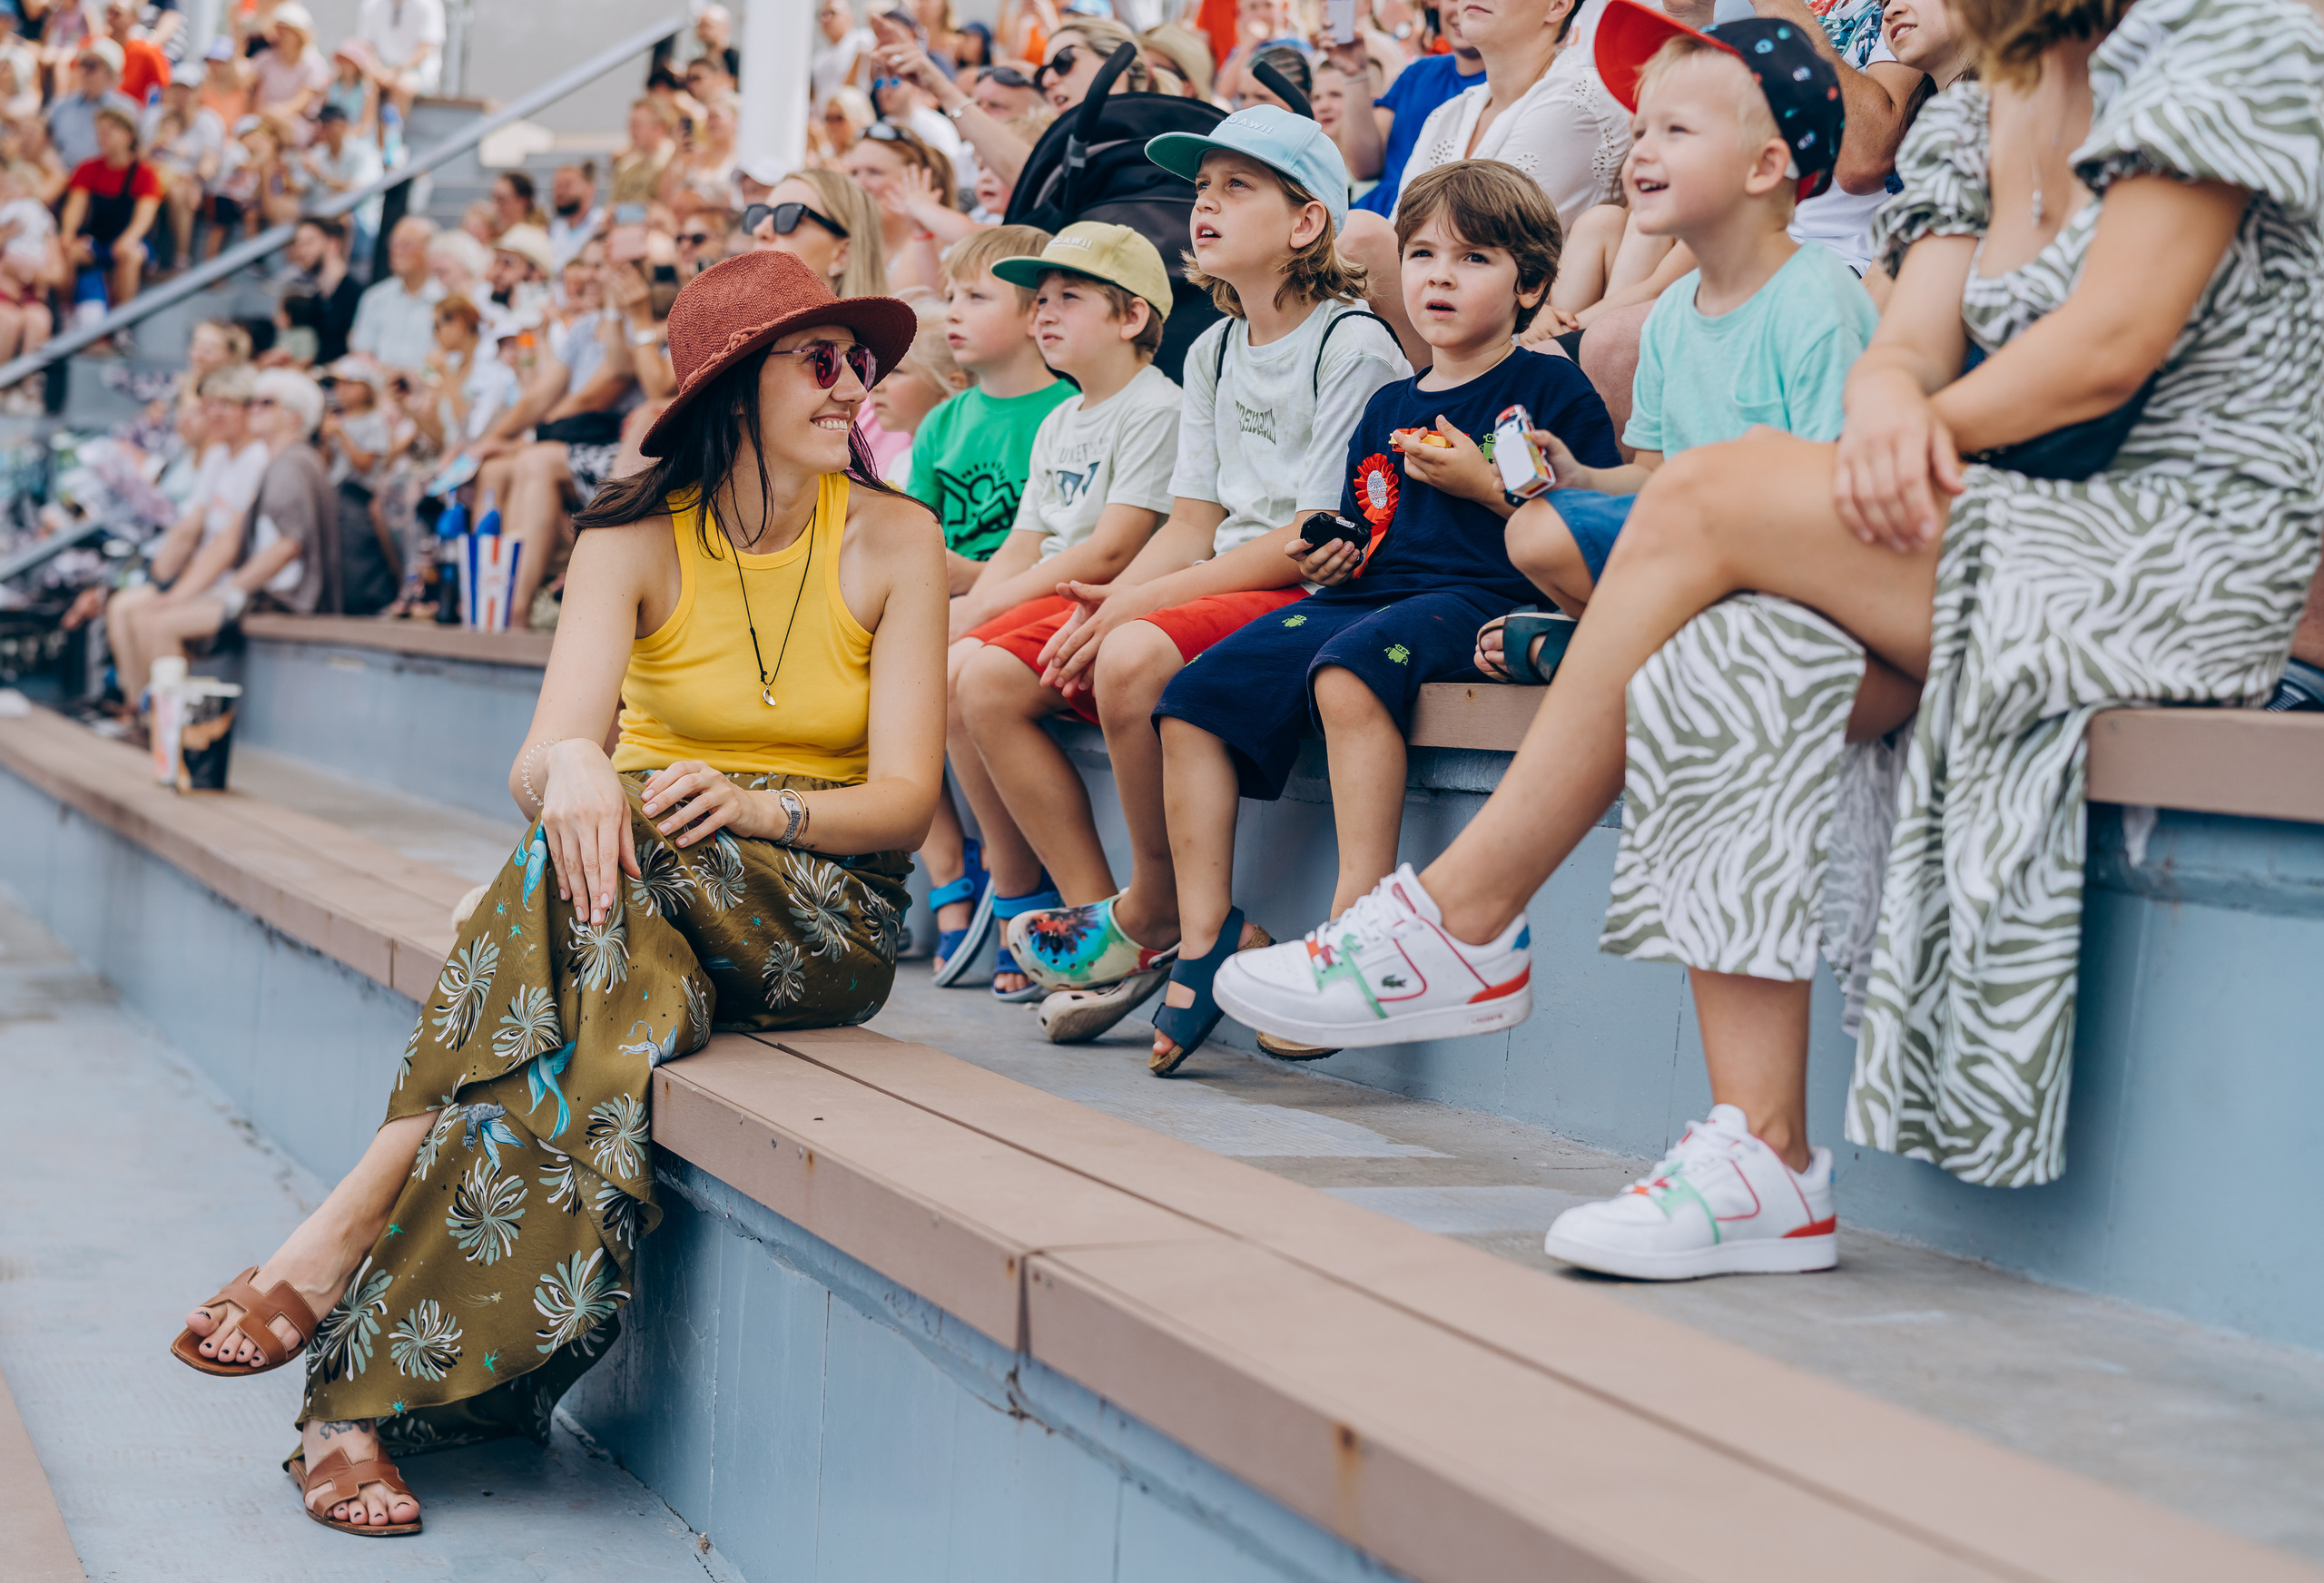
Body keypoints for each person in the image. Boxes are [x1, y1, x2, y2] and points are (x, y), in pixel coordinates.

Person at [1218, 0, 2324, 1280]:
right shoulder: (1977, 105)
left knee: (1705, 492)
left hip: (2179, 559)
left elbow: (2111, 346)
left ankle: (1466, 915)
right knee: (1718, 657)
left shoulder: (2237, 36)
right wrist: (1893, 406)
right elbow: (1907, 335)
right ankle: (1763, 1159)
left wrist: (1903, 433)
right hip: (1987, 528)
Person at [170, 248, 945, 1539]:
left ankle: (346, 1218)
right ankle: (349, 1414)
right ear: (734, 388)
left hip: (820, 915)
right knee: (574, 1039)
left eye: (859, 361)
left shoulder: (897, 537)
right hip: (631, 908)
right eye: (820, 359)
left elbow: (907, 800)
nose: (852, 385)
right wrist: (580, 763)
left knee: (595, 857)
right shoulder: (633, 539)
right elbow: (543, 760)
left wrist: (755, 805)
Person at [1134, 160, 1620, 1067]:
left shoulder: (1551, 389)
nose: (1437, 275)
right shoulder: (1390, 402)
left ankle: (1355, 918)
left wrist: (1484, 485)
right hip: (1372, 591)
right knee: (1195, 694)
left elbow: (1574, 526)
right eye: (1423, 253)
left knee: (1350, 668)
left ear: (1531, 285)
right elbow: (1366, 521)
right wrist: (1334, 547)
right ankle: (1204, 935)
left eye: (1472, 258)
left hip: (1479, 596)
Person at [960, 108, 1405, 1018]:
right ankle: (1113, 911)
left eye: (1237, 187)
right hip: (1220, 574)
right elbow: (1191, 522)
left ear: (1306, 221)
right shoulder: (1212, 347)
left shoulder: (1350, 342)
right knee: (989, 680)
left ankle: (1156, 903)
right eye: (1201, 188)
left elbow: (1308, 536)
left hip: (1310, 583)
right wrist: (1117, 596)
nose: (1204, 205)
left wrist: (1137, 606)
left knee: (1129, 651)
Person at [938, 224, 1182, 1012]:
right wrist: (970, 609)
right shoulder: (1061, 419)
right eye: (1038, 301)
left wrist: (985, 610)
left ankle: (1096, 914)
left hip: (1101, 598)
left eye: (1069, 299)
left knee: (978, 679)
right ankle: (1049, 893)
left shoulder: (1154, 406)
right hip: (1053, 594)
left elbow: (1111, 551)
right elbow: (1021, 545)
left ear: (1131, 317)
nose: (1045, 314)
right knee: (942, 665)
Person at [104, 364, 270, 714]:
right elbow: (190, 529)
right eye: (208, 404)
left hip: (238, 585)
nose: (213, 413)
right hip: (201, 577)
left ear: (247, 408)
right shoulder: (217, 455)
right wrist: (158, 582)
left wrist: (176, 597)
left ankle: (168, 727)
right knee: (123, 607)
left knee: (153, 620)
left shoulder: (259, 459)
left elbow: (228, 546)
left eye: (225, 404)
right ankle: (138, 711)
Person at [1341, 0, 1483, 217]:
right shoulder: (1417, 73)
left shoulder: (1512, 87)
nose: (1460, 8)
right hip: (1380, 216)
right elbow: (1364, 167)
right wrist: (1355, 74)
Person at [59, 102, 162, 313]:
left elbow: (145, 216)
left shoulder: (145, 174)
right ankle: (66, 314)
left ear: (128, 135)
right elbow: (75, 207)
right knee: (69, 252)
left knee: (129, 254)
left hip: (129, 241)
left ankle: (122, 321)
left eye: (109, 132)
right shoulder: (88, 168)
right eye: (100, 132)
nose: (102, 138)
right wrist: (68, 233)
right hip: (98, 240)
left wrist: (129, 238)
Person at [862, 286, 967, 486]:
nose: (876, 386)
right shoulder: (901, 462)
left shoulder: (957, 464)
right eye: (877, 371)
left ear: (950, 388)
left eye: (896, 372)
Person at [840, 122, 955, 293]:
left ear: (915, 178)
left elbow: (890, 312)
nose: (858, 185)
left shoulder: (934, 239)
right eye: (854, 173)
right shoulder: (845, 237)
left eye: (874, 172)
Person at [348, 214, 442, 371]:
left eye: (406, 245)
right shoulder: (375, 297)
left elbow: (445, 359)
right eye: (393, 244)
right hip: (378, 387)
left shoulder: (444, 300)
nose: (396, 251)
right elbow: (362, 352)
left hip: (427, 389)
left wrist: (417, 380)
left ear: (429, 249)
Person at [303, 103, 385, 258]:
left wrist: (321, 176)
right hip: (321, 218)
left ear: (342, 125)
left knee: (341, 214)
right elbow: (301, 187)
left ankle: (337, 272)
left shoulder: (364, 152)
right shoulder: (318, 154)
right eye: (321, 124)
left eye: (328, 124)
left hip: (360, 222)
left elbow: (364, 188)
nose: (323, 129)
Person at [280, 214, 364, 365]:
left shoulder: (358, 295)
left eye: (308, 243)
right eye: (298, 244)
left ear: (333, 243)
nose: (301, 251)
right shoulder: (313, 298)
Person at [49, 38, 140, 170]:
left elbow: (133, 154)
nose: (85, 71)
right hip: (62, 180)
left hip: (105, 184)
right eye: (83, 64)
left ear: (111, 74)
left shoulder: (125, 109)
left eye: (92, 66)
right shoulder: (61, 106)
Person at [354, 0, 446, 115]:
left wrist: (394, 72)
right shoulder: (370, 5)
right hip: (380, 70)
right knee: (364, 86)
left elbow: (425, 49)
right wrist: (379, 72)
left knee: (402, 86)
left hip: (416, 72)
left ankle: (392, 131)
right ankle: (363, 130)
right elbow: (367, 48)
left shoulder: (429, 4)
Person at [610, 96, 681, 210]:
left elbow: (668, 207)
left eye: (637, 125)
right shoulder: (626, 164)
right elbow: (612, 206)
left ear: (660, 128)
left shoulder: (675, 160)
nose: (632, 131)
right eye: (630, 125)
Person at [103, 0, 169, 104]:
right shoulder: (95, 46)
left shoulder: (147, 52)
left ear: (134, 18)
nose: (111, 17)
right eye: (109, 12)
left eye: (117, 13)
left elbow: (165, 87)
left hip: (133, 115)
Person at [813, 0, 878, 108]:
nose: (825, 19)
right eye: (821, 14)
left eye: (832, 13)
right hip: (827, 120)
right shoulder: (819, 60)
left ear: (850, 16)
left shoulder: (863, 39)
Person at [546, 162, 604, 273]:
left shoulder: (602, 223)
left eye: (567, 185)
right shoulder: (556, 227)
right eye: (557, 186)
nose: (560, 192)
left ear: (589, 189)